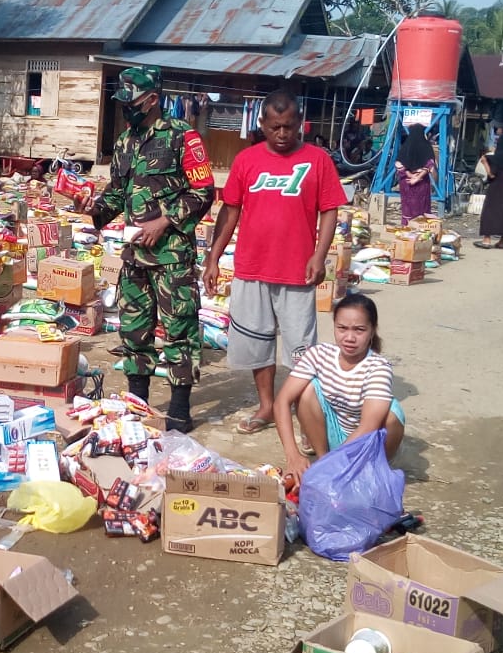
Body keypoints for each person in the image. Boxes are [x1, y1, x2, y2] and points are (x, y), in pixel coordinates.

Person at [205, 89, 345, 435]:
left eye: (289, 127)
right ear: (262, 124)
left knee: (302, 349)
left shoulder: (317, 160)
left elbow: (330, 210)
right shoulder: (246, 161)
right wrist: (213, 258)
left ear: (300, 124)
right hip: (252, 268)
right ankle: (267, 406)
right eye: (275, 127)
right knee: (258, 344)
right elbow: (231, 210)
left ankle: (305, 414)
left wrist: (319, 254)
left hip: (297, 271)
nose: (282, 135)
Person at [87, 66, 215, 432]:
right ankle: (138, 407)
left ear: (152, 99)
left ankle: (178, 412)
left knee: (179, 330)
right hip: (134, 256)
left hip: (171, 255)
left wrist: (165, 222)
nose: (126, 109)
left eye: (132, 102)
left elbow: (203, 191)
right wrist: (93, 209)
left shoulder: (181, 136)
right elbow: (116, 192)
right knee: (134, 329)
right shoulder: (126, 142)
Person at [274, 294, 406, 484]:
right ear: (334, 326)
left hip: (365, 441)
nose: (350, 338)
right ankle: (322, 456)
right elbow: (281, 402)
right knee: (306, 390)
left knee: (392, 414)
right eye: (342, 328)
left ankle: (370, 467)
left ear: (372, 331)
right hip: (333, 434)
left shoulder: (378, 367)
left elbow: (368, 426)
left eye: (359, 330)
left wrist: (329, 467)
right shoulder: (318, 354)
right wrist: (292, 455)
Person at [395, 123, 436, 224]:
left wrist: (409, 175)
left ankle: (407, 227)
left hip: (407, 183)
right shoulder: (427, 146)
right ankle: (420, 228)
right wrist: (418, 177)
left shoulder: (406, 146)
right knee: (422, 206)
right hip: (422, 183)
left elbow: (398, 164)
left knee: (408, 207)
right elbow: (430, 164)